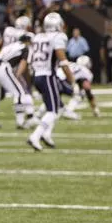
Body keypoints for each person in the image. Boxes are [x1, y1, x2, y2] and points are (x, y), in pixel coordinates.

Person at [28, 12, 76, 151]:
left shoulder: (38, 37)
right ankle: (35, 136)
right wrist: (72, 81)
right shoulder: (58, 37)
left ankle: (47, 134)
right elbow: (63, 61)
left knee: (57, 107)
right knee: (53, 111)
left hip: (38, 75)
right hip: (47, 75)